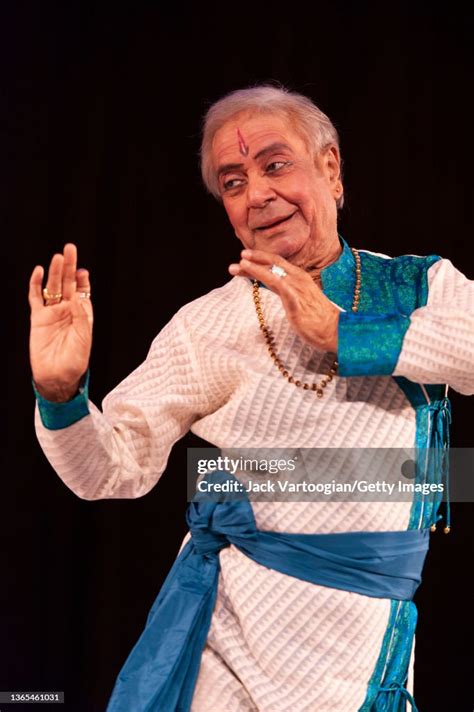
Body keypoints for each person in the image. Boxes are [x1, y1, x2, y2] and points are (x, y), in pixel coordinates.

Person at [29, 85, 474, 711]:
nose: (257, 193)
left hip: (353, 644)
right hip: (229, 632)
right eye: (233, 182)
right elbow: (111, 469)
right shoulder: (208, 326)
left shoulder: (417, 285)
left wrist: (344, 333)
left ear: (331, 168)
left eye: (275, 164)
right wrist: (62, 394)